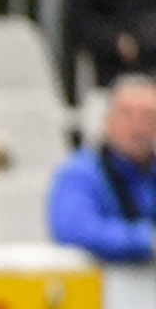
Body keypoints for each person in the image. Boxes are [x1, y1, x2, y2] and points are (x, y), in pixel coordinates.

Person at [47, 74, 156, 261]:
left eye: (148, 116)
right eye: (127, 114)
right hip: (105, 277)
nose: (138, 125)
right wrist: (146, 240)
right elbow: (73, 229)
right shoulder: (81, 172)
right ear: (107, 121)